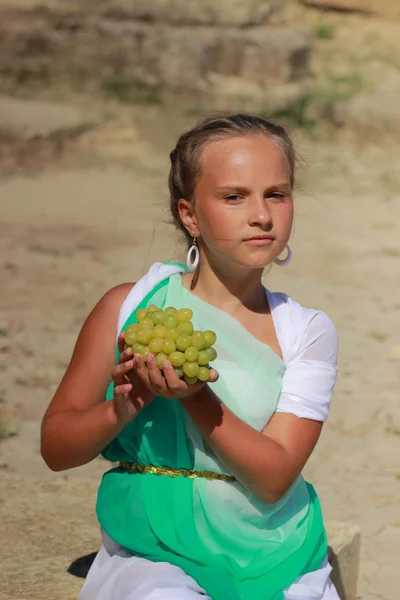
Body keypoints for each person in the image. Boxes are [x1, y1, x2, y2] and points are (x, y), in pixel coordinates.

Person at [41, 114, 340, 600]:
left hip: (274, 547)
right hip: (152, 549)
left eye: (277, 194)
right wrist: (124, 406)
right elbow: (56, 448)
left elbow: (274, 478)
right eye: (234, 196)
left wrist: (196, 398)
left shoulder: (307, 331)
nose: (261, 215)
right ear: (190, 215)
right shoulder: (128, 307)